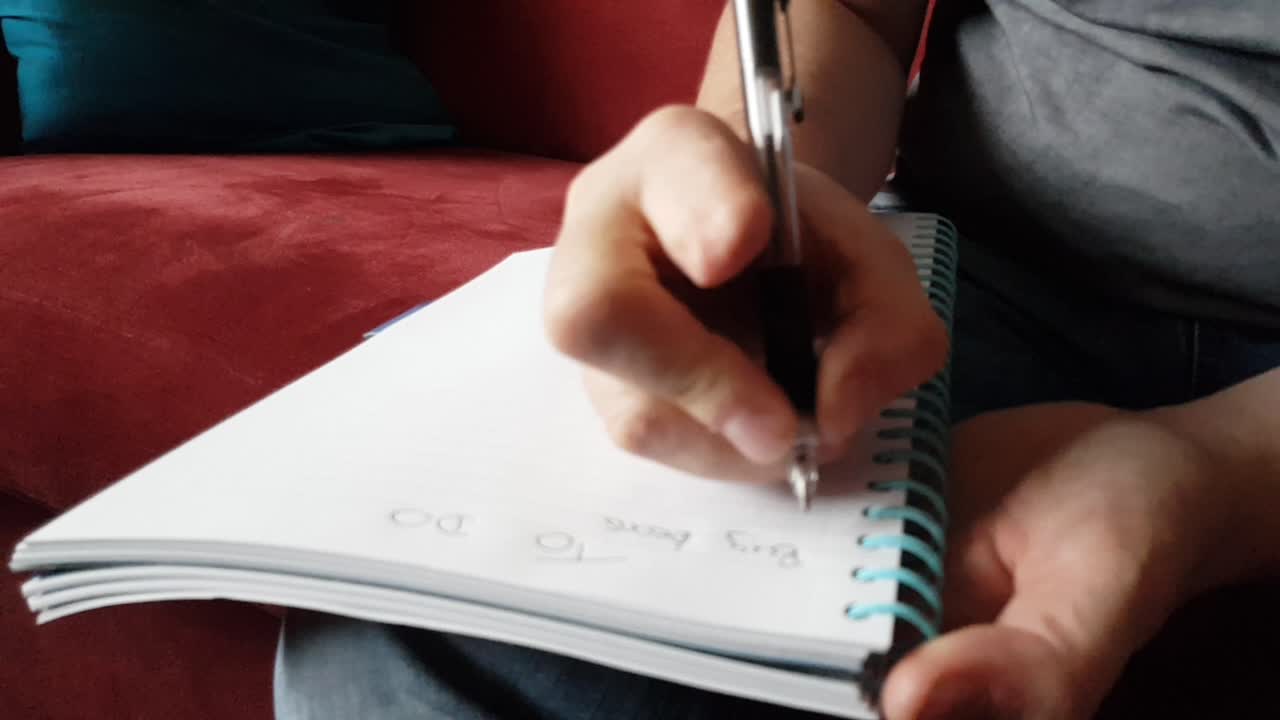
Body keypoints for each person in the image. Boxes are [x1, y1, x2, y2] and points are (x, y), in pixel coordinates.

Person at [274, 2, 1280, 718]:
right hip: (959, 272)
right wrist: (758, 208)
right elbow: (850, 11)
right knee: (412, 651)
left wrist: (1224, 472)